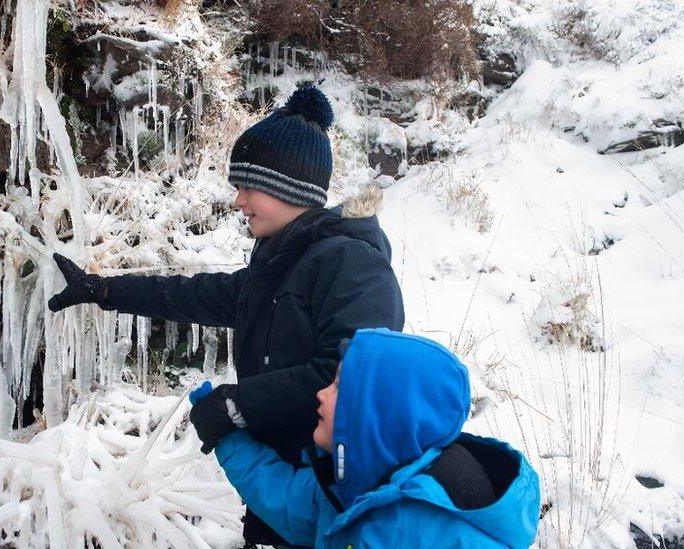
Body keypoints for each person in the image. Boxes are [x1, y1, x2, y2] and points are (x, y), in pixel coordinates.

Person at [47, 84, 404, 545]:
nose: (238, 201)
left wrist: (239, 404)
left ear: (285, 185)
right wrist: (106, 290)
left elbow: (352, 377)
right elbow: (194, 294)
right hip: (281, 486)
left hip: (333, 496)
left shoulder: (351, 264)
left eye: (247, 186)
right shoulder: (279, 263)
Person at [191, 328, 541, 548]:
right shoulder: (362, 482)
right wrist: (227, 439)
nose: (321, 394)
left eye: (340, 386)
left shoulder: (412, 530)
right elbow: (288, 501)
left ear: (380, 412)